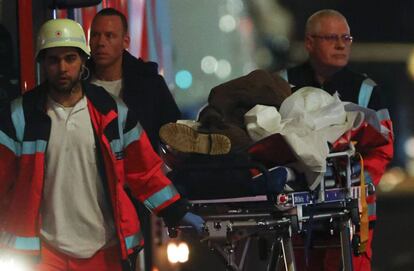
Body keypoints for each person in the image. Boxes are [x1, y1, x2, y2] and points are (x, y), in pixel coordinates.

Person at [0, 18, 203, 271]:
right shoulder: (19, 116)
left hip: (103, 250)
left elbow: (144, 171)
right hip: (43, 252)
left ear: (84, 61)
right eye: (53, 60)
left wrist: (175, 210)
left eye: (70, 58)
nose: (62, 67)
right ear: (42, 63)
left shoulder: (112, 112)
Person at [278, 9, 388, 271]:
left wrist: (357, 184)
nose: (341, 45)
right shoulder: (282, 85)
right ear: (309, 43)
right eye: (331, 38)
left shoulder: (365, 90)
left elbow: (382, 149)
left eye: (346, 38)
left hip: (351, 216)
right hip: (298, 214)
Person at [87, 8, 183, 270]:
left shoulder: (149, 84)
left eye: (109, 35)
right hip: (88, 192)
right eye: (95, 35)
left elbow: (173, 133)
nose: (100, 42)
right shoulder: (76, 83)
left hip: (135, 195)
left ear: (125, 42)